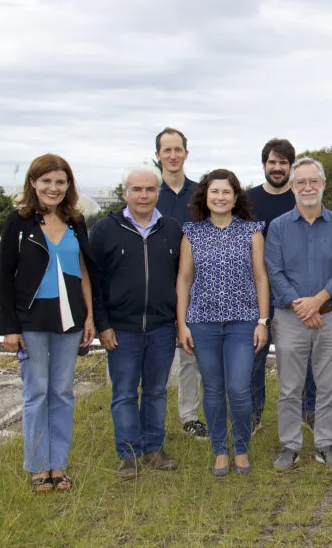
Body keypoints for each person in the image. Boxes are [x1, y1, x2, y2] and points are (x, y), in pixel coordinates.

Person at [0, 153, 96, 492]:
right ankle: (39, 466)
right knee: (37, 392)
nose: (54, 188)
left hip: (70, 320)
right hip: (31, 320)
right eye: (47, 181)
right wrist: (9, 328)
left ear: (68, 185)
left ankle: (59, 465)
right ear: (33, 183)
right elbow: (4, 277)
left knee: (63, 392)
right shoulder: (18, 222)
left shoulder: (75, 222)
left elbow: (84, 271)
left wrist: (90, 317)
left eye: (60, 181)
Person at [90, 163, 182, 479]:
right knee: (125, 393)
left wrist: (178, 323)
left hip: (161, 327)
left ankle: (154, 449)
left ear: (158, 192)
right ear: (125, 192)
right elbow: (94, 282)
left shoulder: (172, 228)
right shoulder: (105, 229)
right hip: (121, 329)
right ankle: (128, 453)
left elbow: (183, 279)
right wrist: (103, 324)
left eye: (150, 189)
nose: (144, 195)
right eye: (137, 189)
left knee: (156, 391)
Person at [176, 169, 269, 476]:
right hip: (202, 323)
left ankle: (241, 448)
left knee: (240, 389)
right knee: (213, 389)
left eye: (226, 192)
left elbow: (260, 277)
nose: (220, 197)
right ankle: (220, 451)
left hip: (242, 322)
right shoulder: (192, 232)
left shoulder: (251, 231)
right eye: (214, 191)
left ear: (235, 197)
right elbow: (185, 279)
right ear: (206, 195)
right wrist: (182, 323)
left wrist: (263, 321)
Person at [265, 157, 332, 472]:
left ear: (323, 185)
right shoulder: (277, 227)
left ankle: (325, 444)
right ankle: (290, 446)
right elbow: (274, 272)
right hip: (290, 317)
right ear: (291, 187)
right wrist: (301, 306)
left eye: (312, 181)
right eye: (300, 182)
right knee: (290, 387)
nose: (307, 187)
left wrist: (317, 302)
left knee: (329, 385)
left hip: (329, 316)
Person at [247, 139, 317, 435]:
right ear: (264, 165)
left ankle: (309, 411)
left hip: (298, 295)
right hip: (255, 293)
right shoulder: (246, 200)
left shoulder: (301, 198)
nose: (277, 168)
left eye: (283, 163)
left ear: (291, 166)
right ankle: (253, 414)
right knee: (254, 358)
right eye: (272, 162)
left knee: (306, 358)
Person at [154, 126, 209, 440]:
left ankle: (189, 416)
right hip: (159, 285)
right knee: (159, 355)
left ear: (186, 153)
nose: (173, 156)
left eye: (178, 149)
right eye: (167, 150)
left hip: (195, 285)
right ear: (158, 155)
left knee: (190, 354)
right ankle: (153, 421)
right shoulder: (149, 192)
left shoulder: (200, 193)